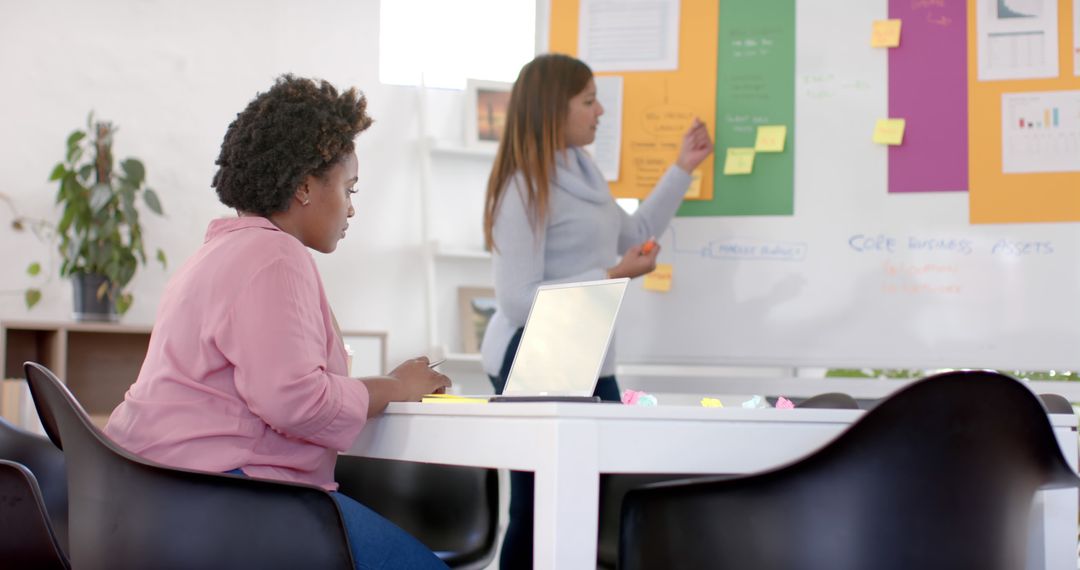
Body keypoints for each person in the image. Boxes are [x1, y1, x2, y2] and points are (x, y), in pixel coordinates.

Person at [104, 74, 451, 569]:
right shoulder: (274, 255)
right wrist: (395, 386)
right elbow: (297, 401)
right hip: (231, 502)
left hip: (162, 499)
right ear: (307, 186)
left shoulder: (216, 252)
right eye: (349, 188)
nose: (352, 208)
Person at [479, 54, 714, 568]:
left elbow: (631, 234)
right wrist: (611, 277)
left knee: (590, 503)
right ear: (551, 110)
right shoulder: (523, 184)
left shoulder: (583, 169)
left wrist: (682, 167)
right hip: (535, 353)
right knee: (539, 508)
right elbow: (517, 299)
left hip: (587, 349)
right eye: (588, 101)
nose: (601, 111)